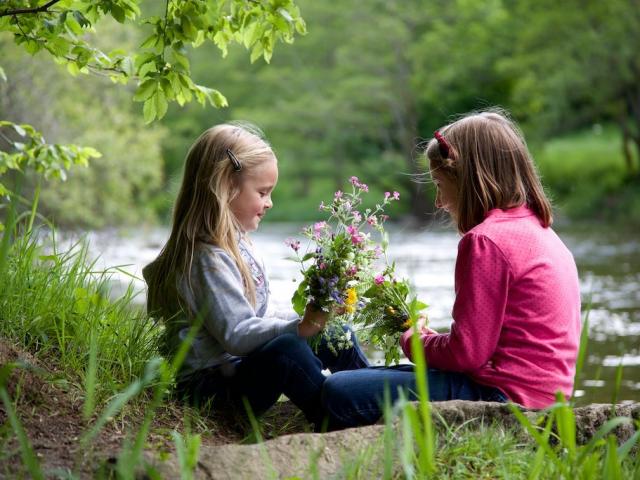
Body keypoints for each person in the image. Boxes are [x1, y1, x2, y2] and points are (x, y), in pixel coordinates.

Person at [321, 109, 581, 429]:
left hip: (503, 398)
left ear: (465, 177)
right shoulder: (544, 233)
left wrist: (413, 339)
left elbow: (466, 354)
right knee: (355, 378)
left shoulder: (486, 241)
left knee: (337, 390)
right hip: (542, 396)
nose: (439, 202)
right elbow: (482, 348)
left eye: (439, 184)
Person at [143, 122, 368, 428]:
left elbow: (263, 311)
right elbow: (237, 335)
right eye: (262, 192)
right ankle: (339, 416)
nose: (269, 203)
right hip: (211, 388)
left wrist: (315, 316)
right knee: (288, 350)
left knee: (335, 333)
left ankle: (372, 393)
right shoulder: (205, 258)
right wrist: (300, 327)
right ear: (226, 186)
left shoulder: (238, 243)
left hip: (239, 370)